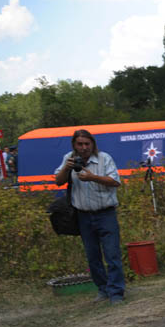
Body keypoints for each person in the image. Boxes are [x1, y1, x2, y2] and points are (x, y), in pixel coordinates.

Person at [53, 129, 125, 304]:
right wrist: (66, 168)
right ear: (74, 145)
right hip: (83, 216)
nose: (84, 147)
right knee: (93, 257)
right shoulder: (68, 159)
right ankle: (103, 290)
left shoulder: (104, 158)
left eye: (87, 144)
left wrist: (93, 177)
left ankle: (116, 293)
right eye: (80, 144)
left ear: (92, 143)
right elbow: (58, 181)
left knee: (112, 254)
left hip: (105, 213)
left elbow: (115, 181)